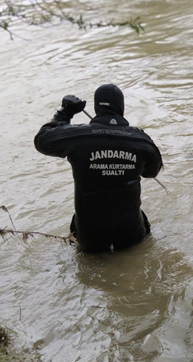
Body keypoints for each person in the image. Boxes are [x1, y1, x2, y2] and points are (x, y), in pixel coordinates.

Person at [35, 84, 163, 253]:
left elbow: (42, 141)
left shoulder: (77, 136)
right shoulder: (140, 140)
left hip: (89, 233)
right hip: (131, 230)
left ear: (96, 108)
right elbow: (151, 172)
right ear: (121, 107)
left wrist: (64, 113)